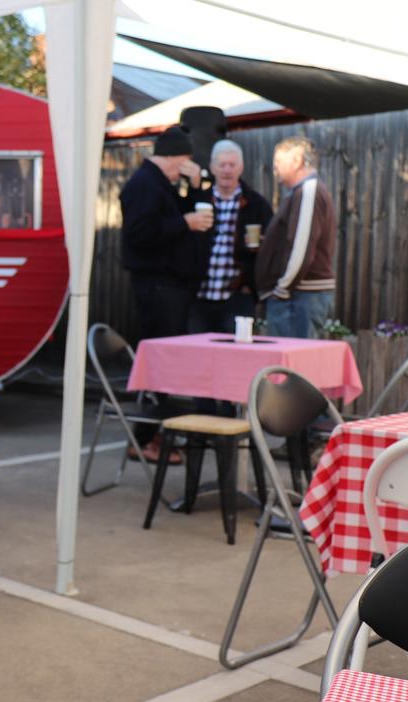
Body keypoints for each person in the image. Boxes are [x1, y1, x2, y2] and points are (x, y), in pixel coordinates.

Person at [119, 125, 213, 461]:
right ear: (173, 157)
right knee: (160, 363)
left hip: (171, 285)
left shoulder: (162, 185)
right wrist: (184, 224)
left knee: (168, 362)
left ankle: (158, 434)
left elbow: (176, 211)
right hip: (157, 286)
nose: (185, 169)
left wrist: (197, 187)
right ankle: (145, 438)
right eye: (184, 161)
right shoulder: (144, 185)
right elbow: (139, 234)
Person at [187, 140, 274, 334]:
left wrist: (253, 287)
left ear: (241, 167)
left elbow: (273, 247)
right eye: (222, 164)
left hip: (238, 296)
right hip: (199, 295)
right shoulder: (198, 201)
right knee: (196, 353)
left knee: (235, 355)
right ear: (212, 167)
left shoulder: (256, 204)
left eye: (232, 165)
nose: (227, 170)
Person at [256, 136, 337, 338]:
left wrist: (282, 288)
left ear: (297, 161)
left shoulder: (309, 190)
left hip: (299, 297)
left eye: (278, 164)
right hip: (297, 295)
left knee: (292, 366)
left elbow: (301, 245)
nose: (275, 171)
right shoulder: (302, 192)